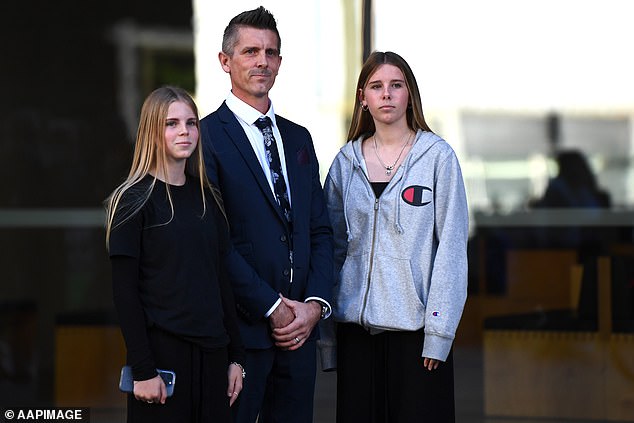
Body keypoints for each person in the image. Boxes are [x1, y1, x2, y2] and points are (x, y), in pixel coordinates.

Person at [199, 6, 334, 423]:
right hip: (241, 335)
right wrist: (272, 306)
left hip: (300, 334)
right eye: (250, 51)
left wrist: (314, 306)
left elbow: (320, 231)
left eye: (271, 52)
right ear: (225, 61)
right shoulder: (205, 137)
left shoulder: (299, 138)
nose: (262, 61)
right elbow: (214, 240)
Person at [321, 51, 469, 423]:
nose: (386, 94)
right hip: (356, 332)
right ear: (363, 98)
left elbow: (451, 248)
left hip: (417, 334)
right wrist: (328, 339)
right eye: (376, 86)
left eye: (396, 85)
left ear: (409, 95)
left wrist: (439, 331)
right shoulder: (344, 164)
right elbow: (333, 249)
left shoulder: (437, 158)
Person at [105, 86, 245, 423]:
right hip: (162, 362)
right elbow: (125, 294)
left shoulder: (207, 198)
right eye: (172, 123)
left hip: (214, 360)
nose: (184, 131)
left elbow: (221, 283)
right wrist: (143, 370)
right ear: (153, 131)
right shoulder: (133, 200)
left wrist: (235, 359)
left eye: (191, 122)